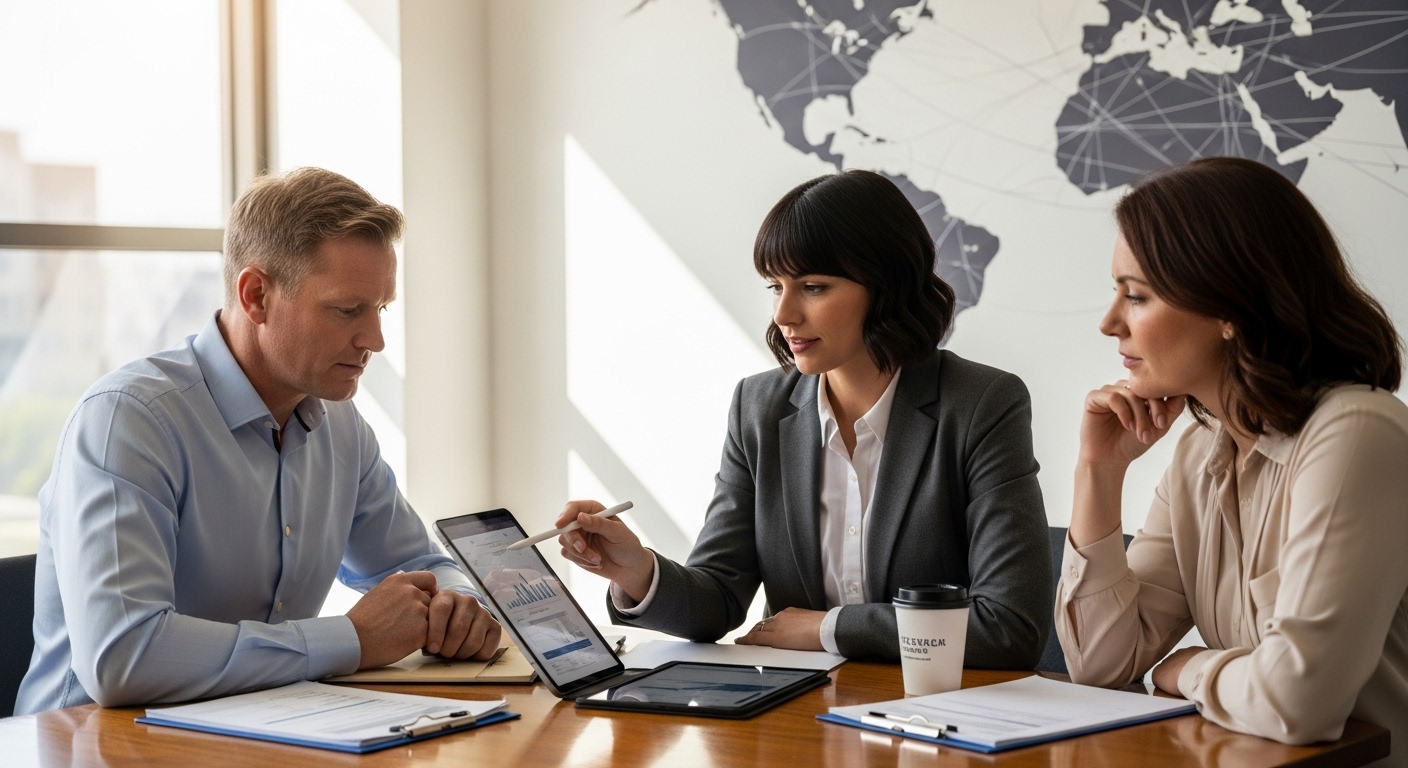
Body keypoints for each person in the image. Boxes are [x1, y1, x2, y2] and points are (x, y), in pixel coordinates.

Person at [15, 168, 501, 713]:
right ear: (256, 295)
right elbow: (123, 659)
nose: (376, 340)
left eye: (380, 308)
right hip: (95, 745)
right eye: (348, 310)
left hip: (264, 731)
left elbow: (420, 562)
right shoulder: (128, 421)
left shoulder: (341, 428)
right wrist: (351, 640)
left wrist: (458, 601)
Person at [554, 170, 1051, 664]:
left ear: (887, 286)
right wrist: (634, 569)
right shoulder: (759, 408)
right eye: (775, 286)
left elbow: (1008, 626)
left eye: (812, 286)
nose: (784, 313)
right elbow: (720, 599)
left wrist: (828, 628)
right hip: (799, 718)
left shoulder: (982, 403)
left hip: (934, 716)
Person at [1057, 157, 1408, 758]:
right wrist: (1100, 471)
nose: (1109, 323)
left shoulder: (1358, 433)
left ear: (1229, 309)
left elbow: (1299, 702)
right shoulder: (1200, 450)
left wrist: (1187, 667)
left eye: (1136, 296)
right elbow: (1099, 664)